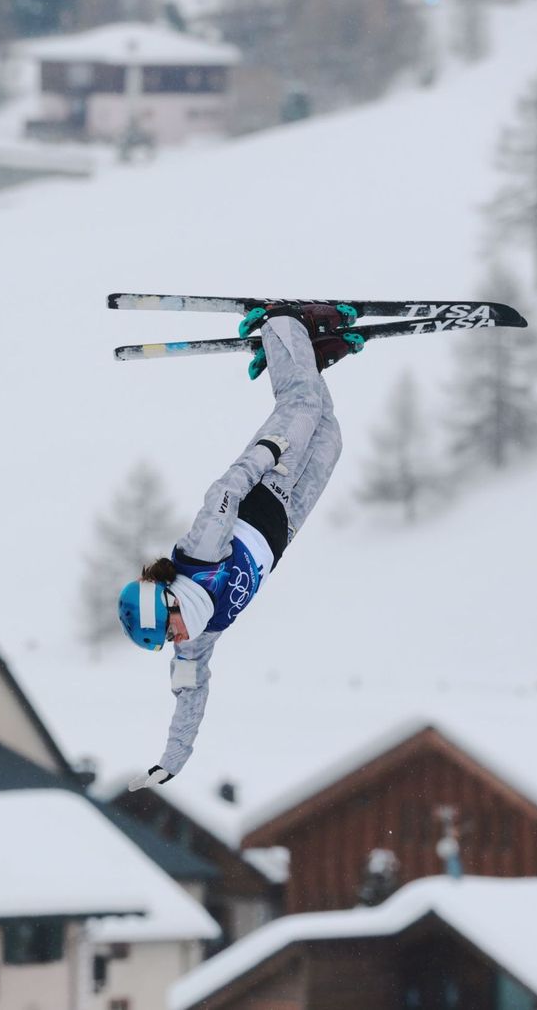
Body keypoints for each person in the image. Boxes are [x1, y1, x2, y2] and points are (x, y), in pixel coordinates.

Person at [118, 304, 365, 791]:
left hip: (270, 479)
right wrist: (171, 762)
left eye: (168, 629)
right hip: (288, 521)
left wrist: (268, 452)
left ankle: (279, 322)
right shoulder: (196, 642)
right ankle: (302, 353)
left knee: (302, 407)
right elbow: (190, 699)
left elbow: (224, 491)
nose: (177, 638)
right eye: (168, 640)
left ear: (166, 600)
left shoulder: (199, 554)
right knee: (330, 436)